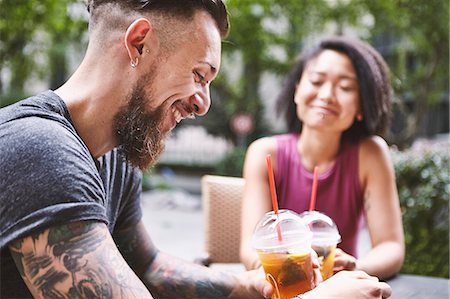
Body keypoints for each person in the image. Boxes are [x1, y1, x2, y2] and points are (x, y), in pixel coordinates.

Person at [0, 1, 391, 298]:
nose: (203, 103)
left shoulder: (116, 155)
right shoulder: (41, 151)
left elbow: (149, 266)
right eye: (199, 75)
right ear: (139, 44)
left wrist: (258, 284)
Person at [240, 36, 405, 280]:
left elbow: (391, 246)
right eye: (316, 81)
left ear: (362, 106)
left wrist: (355, 269)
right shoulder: (265, 154)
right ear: (297, 90)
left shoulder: (370, 154)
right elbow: (251, 249)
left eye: (346, 87)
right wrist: (278, 272)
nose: (327, 95)